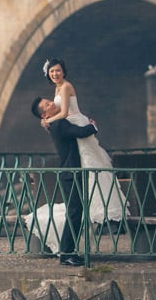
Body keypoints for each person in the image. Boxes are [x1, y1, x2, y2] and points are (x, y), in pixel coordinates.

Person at [39, 58, 126, 226]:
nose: (55, 74)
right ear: (48, 75)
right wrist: (47, 119)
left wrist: (48, 121)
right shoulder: (58, 88)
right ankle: (83, 206)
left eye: (57, 71)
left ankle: (97, 208)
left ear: (63, 71)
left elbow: (64, 113)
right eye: (52, 72)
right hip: (71, 127)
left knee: (89, 165)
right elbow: (57, 112)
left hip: (76, 124)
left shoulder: (65, 86)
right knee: (81, 164)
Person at [25, 94, 99, 266]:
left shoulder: (55, 123)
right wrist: (93, 126)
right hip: (70, 174)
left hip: (71, 172)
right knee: (74, 212)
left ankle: (70, 251)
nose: (52, 103)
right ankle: (66, 254)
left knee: (76, 212)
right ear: (45, 115)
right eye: (48, 104)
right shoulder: (58, 124)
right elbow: (80, 132)